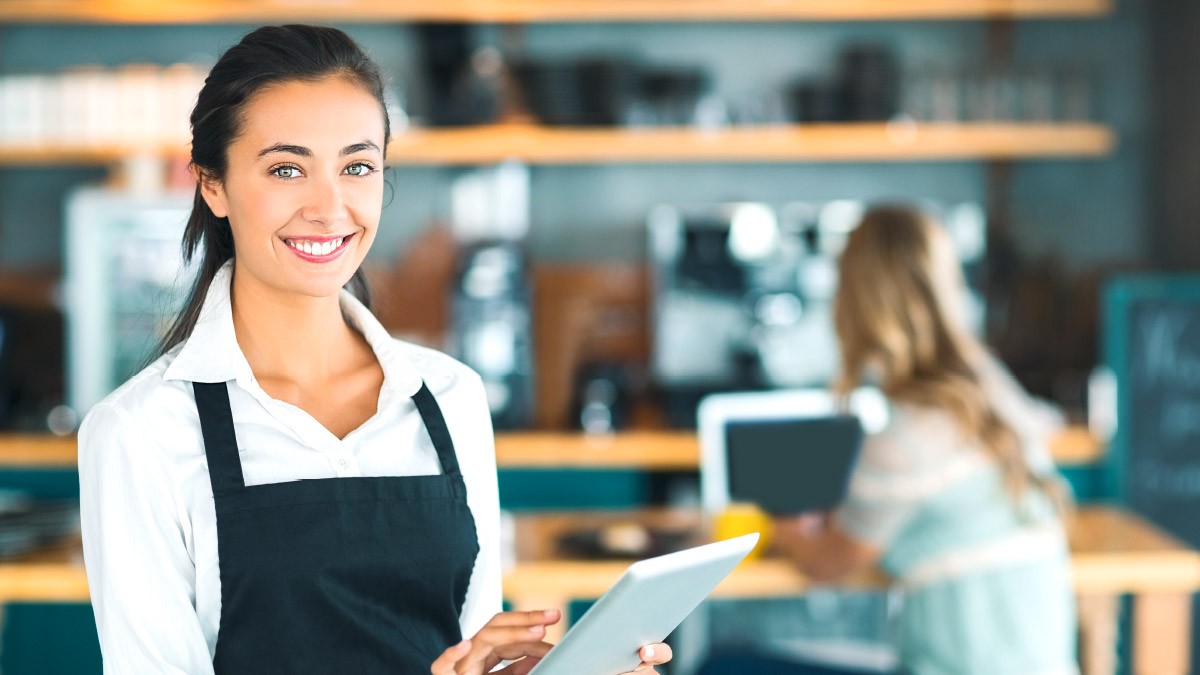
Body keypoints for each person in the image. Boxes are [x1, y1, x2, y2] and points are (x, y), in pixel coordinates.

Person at [78, 25, 671, 675]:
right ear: (212, 185)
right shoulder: (140, 432)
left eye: (356, 167)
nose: (330, 208)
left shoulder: (448, 397)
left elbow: (469, 653)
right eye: (286, 169)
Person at [701, 205, 1077, 675]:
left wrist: (783, 532)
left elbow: (826, 564)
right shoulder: (993, 391)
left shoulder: (904, 438)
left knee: (725, 665)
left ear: (854, 304)